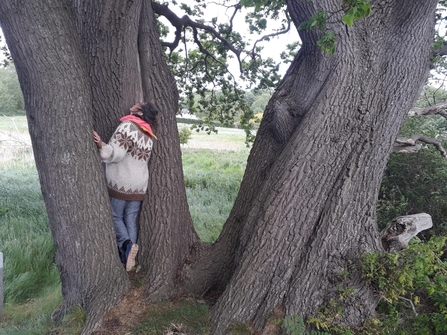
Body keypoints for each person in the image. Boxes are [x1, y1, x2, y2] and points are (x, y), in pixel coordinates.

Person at [93, 102, 158, 271]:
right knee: (130, 219)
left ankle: (127, 245)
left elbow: (117, 154)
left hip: (122, 182)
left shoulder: (128, 126)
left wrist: (101, 145)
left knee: (115, 216)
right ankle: (129, 256)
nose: (135, 104)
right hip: (139, 184)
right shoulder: (148, 133)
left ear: (141, 112)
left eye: (139, 105)